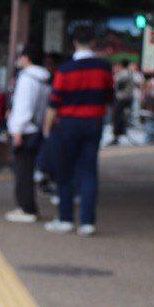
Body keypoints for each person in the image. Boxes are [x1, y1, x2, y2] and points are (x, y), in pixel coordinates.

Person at [45, 21, 114, 236]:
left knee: (64, 172)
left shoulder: (65, 70)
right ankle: (87, 222)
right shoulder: (104, 68)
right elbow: (109, 96)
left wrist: (47, 130)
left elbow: (54, 103)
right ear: (93, 42)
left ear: (74, 42)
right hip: (94, 123)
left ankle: (65, 219)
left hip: (68, 124)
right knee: (89, 172)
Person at [4, 44, 50, 223]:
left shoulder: (26, 78)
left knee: (22, 172)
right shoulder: (44, 78)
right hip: (36, 128)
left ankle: (26, 208)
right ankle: (29, 207)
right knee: (28, 171)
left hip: (24, 130)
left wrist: (17, 131)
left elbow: (23, 106)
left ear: (27, 58)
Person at [112, 61, 134, 145]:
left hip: (121, 98)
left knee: (117, 116)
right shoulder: (130, 73)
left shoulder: (122, 74)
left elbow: (114, 83)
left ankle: (117, 135)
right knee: (121, 116)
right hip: (128, 97)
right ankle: (120, 132)